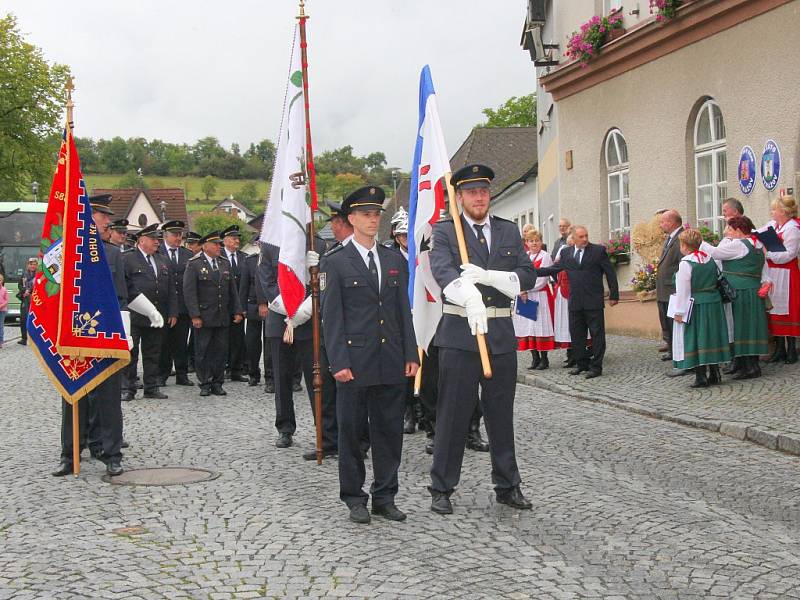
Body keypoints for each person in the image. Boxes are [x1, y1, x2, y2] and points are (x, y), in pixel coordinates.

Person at [428, 164, 537, 515]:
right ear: (459, 197)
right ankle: (442, 486)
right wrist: (467, 294)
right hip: (460, 336)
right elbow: (442, 271)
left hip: (500, 337)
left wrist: (490, 276)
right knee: (453, 415)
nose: (479, 197)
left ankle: (507, 484)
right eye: (471, 192)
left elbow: (527, 275)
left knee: (501, 416)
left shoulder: (507, 231)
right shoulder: (446, 232)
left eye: (484, 191)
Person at [321, 185, 418, 524]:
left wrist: (411, 352)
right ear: (351, 219)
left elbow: (402, 311)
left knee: (389, 431)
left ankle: (385, 495)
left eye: (377, 213)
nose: (373, 219)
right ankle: (354, 497)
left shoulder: (393, 259)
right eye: (366, 214)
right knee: (352, 432)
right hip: (354, 361)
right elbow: (331, 318)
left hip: (390, 358)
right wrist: (338, 362)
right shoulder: (335, 262)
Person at [53, 194, 132, 477]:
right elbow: (55, 294)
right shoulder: (65, 253)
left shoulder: (112, 254)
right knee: (74, 398)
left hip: (106, 336)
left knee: (109, 399)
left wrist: (125, 333)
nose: (108, 222)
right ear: (87, 217)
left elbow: (121, 296)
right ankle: (69, 453)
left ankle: (111, 454)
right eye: (102, 216)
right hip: (74, 339)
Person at [258, 233, 328, 450]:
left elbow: (322, 281)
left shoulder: (318, 244)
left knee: (316, 376)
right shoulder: (270, 243)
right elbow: (267, 281)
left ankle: (323, 429)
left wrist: (302, 312)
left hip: (309, 320)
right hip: (280, 320)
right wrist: (289, 309)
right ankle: (285, 427)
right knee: (282, 378)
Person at [542, 226, 619, 378]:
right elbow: (554, 269)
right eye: (581, 237)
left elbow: (610, 273)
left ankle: (596, 367)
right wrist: (532, 272)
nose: (585, 239)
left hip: (593, 301)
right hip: (575, 301)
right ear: (574, 238)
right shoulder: (566, 253)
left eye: (586, 236)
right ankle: (581, 364)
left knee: (597, 334)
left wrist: (614, 295)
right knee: (577, 334)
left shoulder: (597, 251)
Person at [702, 216, 769, 379]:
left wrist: (699, 241)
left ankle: (751, 368)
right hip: (753, 289)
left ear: (739, 231)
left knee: (742, 327)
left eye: (731, 230)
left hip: (740, 291)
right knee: (750, 326)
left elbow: (715, 252)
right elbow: (765, 271)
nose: (729, 234)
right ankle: (748, 365)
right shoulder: (758, 245)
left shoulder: (740, 245)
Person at [183, 231, 243, 397]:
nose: (219, 247)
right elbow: (189, 292)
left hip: (222, 314)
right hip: (204, 315)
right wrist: (195, 315)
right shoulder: (194, 264)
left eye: (220, 244)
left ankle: (218, 382)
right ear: (205, 246)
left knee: (221, 350)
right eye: (216, 244)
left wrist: (237, 310)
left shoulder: (224, 263)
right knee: (203, 351)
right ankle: (205, 382)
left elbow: (232, 290)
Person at [121, 224, 177, 401]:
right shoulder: (127, 259)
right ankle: (128, 388)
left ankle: (151, 387)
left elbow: (171, 288)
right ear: (142, 240)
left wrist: (173, 312)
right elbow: (124, 287)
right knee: (131, 352)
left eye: (158, 239)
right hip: (134, 314)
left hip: (156, 315)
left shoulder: (162, 260)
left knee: (153, 352)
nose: (157, 242)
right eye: (153, 239)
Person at [671, 229, 731, 388]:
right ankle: (715, 372)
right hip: (714, 302)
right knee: (712, 336)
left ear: (684, 245)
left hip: (696, 304)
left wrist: (679, 312)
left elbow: (683, 290)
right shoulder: (709, 258)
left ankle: (700, 376)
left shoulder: (686, 263)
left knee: (697, 337)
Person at [763, 195, 800, 364]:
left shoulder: (792, 228)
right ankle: (779, 349)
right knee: (775, 308)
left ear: (783, 212)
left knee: (788, 310)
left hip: (787, 272)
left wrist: (768, 254)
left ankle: (791, 349)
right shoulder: (773, 226)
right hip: (773, 272)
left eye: (774, 209)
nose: (772, 212)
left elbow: (790, 254)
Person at [158, 220, 194, 387]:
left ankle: (182, 373)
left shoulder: (187, 255)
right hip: (164, 307)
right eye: (174, 234)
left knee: (181, 343)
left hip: (183, 307)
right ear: (166, 235)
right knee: (163, 343)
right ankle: (162, 374)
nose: (178, 238)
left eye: (180, 234)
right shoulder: (158, 252)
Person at [514, 228, 555, 370]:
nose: (534, 243)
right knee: (528, 328)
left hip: (539, 296)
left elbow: (543, 280)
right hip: (525, 296)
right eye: (531, 241)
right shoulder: (525, 257)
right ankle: (534, 358)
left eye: (537, 240)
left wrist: (526, 289)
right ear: (526, 243)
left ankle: (544, 359)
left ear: (541, 242)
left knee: (540, 327)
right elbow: (519, 275)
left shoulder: (545, 257)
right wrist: (520, 289)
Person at [656, 210, 684, 364]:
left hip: (672, 289)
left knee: (673, 323)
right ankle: (672, 350)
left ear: (672, 222)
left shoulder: (681, 238)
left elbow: (682, 264)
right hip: (664, 289)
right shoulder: (670, 238)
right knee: (666, 322)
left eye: (663, 222)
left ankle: (678, 352)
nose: (661, 225)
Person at [221, 224, 249, 382]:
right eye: (233, 238)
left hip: (238, 305)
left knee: (237, 338)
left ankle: (235, 369)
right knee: (222, 339)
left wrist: (241, 307)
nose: (237, 240)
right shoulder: (220, 258)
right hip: (222, 305)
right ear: (225, 241)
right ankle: (222, 367)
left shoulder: (244, 257)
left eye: (238, 238)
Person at [239, 239, 266, 387]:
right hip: (252, 304)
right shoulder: (250, 261)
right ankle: (253, 372)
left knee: (270, 341)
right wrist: (242, 308)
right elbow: (243, 285)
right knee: (252, 342)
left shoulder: (277, 259)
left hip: (271, 305)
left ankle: (270, 375)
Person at [16, 257, 37, 345]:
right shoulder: (24, 274)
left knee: (35, 320)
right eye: (31, 264)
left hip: (35, 299)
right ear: (27, 265)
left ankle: (35, 339)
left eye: (34, 264)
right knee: (23, 318)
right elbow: (20, 285)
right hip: (25, 299)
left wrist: (31, 291)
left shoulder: (39, 275)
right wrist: (24, 291)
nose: (32, 266)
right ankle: (24, 338)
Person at [0, 273, 8, 348]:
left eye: (0, 280)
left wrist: (1, 306)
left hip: (2, 311)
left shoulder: (4, 289)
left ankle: (1, 341)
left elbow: (6, 301)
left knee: (1, 326)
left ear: (2, 281)